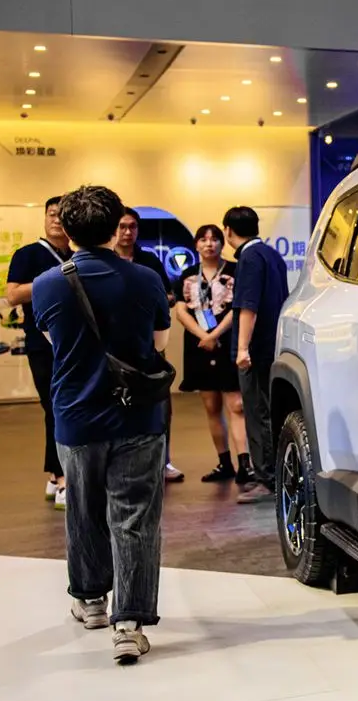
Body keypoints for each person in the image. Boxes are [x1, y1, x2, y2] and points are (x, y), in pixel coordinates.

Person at [30, 185, 171, 664]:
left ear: (67, 232)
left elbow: (53, 341)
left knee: (83, 509)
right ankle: (129, 625)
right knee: (135, 518)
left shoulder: (48, 284)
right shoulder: (147, 279)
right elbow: (160, 343)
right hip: (139, 416)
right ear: (116, 228)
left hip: (76, 416)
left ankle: (90, 602)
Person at [3, 196, 71, 509]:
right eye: (52, 214)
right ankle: (63, 478)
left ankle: (55, 475)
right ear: (44, 218)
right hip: (42, 345)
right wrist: (57, 278)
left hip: (74, 344)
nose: (57, 220)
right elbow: (13, 295)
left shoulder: (78, 255)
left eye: (63, 215)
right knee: (55, 407)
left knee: (63, 408)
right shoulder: (28, 254)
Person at [173, 224, 248, 483]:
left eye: (214, 239)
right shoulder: (187, 275)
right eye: (203, 239)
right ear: (196, 244)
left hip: (228, 343)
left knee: (236, 404)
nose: (209, 244)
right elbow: (181, 311)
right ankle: (224, 463)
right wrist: (203, 336)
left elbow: (238, 308)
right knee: (211, 406)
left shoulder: (234, 270)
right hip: (199, 347)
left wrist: (214, 335)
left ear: (222, 243)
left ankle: (245, 464)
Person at [225, 206, 290, 505]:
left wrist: (242, 349)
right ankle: (275, 473)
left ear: (228, 231)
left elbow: (247, 306)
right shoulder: (272, 254)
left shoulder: (249, 258)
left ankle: (266, 479)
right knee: (268, 411)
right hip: (272, 345)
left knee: (256, 412)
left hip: (255, 350)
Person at [115, 207, 184, 483]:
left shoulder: (149, 260)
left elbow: (169, 296)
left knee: (158, 402)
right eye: (122, 226)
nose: (127, 232)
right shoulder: (105, 260)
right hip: (114, 345)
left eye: (132, 226)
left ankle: (163, 461)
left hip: (149, 341)